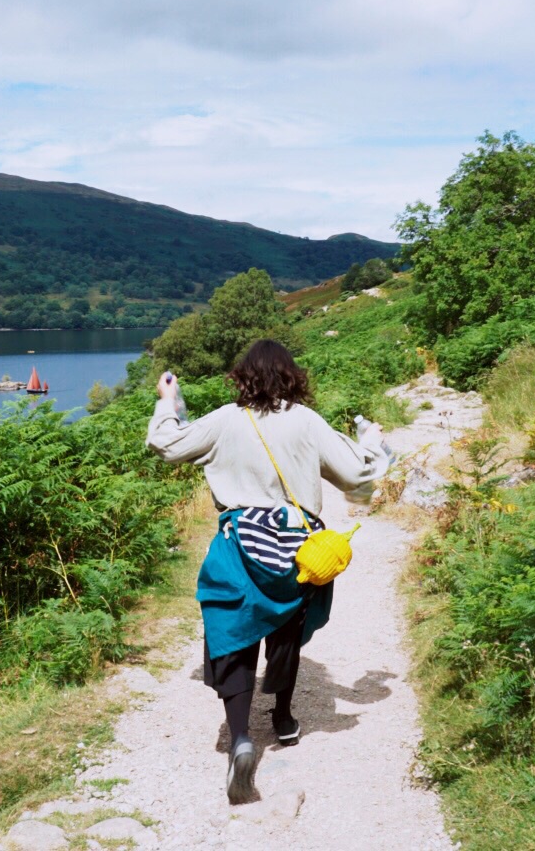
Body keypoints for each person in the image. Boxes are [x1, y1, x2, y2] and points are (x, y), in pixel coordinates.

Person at [146, 339, 391, 803]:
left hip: (240, 543)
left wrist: (168, 402)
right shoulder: (307, 421)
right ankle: (282, 719)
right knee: (285, 630)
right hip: (297, 549)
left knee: (233, 632)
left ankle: (241, 738)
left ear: (243, 377)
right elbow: (358, 475)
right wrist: (372, 443)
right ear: (291, 376)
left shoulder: (225, 419)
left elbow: (166, 443)